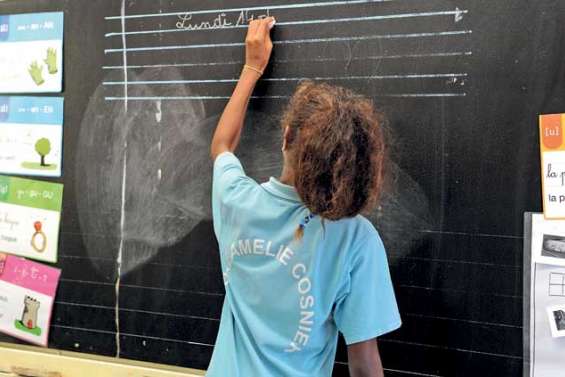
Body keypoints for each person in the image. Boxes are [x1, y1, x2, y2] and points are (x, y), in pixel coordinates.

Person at [207, 17, 401, 377]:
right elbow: (363, 364)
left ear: (285, 138)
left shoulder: (236, 201)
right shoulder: (355, 240)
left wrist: (251, 67)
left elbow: (221, 146)